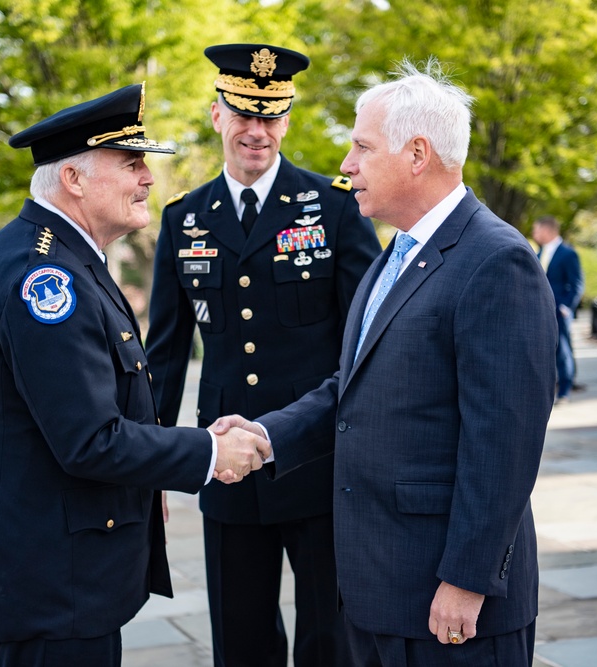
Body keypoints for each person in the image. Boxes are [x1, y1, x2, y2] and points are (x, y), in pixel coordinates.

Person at [213, 59, 557, 667]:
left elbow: (505, 441)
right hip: (381, 592)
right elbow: (355, 388)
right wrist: (267, 434)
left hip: (447, 603)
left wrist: (468, 580)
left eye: (362, 148)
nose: (346, 165)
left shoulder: (495, 260)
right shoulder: (397, 252)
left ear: (417, 154)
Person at [0, 83, 269, 667]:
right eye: (131, 162)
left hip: (56, 574)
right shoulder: (47, 280)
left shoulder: (61, 257)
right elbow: (90, 439)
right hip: (53, 585)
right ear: (74, 179)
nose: (148, 177)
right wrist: (207, 452)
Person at [147, 43, 381, 667]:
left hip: (320, 461)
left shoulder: (335, 207)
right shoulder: (184, 219)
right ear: (217, 115)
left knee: (331, 641)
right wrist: (154, 461)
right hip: (227, 467)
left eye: (271, 116)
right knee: (240, 637)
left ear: (287, 120)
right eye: (243, 115)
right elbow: (165, 353)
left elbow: (368, 340)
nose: (258, 132)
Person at [532, 215, 584, 404]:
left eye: (536, 230)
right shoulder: (538, 253)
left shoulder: (568, 253)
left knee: (562, 351)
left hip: (559, 311)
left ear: (547, 230)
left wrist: (566, 307)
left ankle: (564, 391)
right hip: (540, 311)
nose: (534, 234)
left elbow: (577, 284)